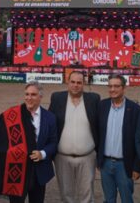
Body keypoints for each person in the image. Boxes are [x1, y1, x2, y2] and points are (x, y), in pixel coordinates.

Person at [0, 81, 58, 203]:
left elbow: (53, 142)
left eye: (33, 95)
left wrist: (42, 154)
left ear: (40, 96)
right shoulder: (13, 113)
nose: (29, 98)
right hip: (16, 171)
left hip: (38, 171)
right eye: (27, 94)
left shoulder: (50, 117)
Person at [48, 71, 100, 203]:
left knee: (87, 196)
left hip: (87, 157)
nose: (75, 85)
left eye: (79, 82)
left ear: (84, 84)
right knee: (66, 195)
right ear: (67, 81)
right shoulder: (57, 98)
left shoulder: (94, 99)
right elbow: (48, 124)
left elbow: (100, 126)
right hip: (62, 157)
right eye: (73, 82)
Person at [97, 74, 140, 203]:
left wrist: (137, 167)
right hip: (105, 164)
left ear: (124, 88)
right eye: (110, 86)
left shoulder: (135, 109)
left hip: (125, 165)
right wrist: (99, 159)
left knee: (127, 199)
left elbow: (139, 141)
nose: (112, 89)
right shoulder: (102, 106)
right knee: (109, 199)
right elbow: (98, 134)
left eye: (116, 86)